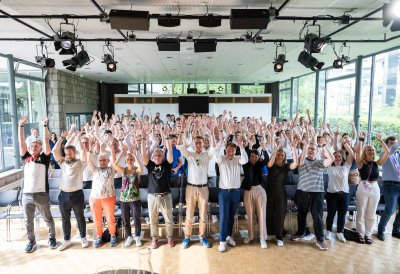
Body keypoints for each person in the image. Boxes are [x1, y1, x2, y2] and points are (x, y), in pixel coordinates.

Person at [19, 116, 57, 253]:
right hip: (27, 195)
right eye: (32, 146)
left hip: (41, 194)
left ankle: (52, 238)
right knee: (28, 222)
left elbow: (47, 140)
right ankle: (31, 241)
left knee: (47, 218)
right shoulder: (26, 157)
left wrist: (45, 125)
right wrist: (20, 126)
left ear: (40, 147)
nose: (33, 147)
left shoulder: (44, 158)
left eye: (36, 146)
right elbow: (21, 142)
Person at [290, 142, 334, 251]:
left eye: (313, 149)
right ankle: (301, 233)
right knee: (301, 215)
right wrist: (303, 146)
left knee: (317, 217)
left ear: (317, 151)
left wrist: (324, 146)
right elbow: (299, 161)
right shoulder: (302, 161)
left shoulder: (320, 163)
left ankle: (320, 239)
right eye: (309, 148)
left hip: (317, 193)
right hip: (303, 192)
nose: (311, 150)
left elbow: (331, 158)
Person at [177, 132, 215, 249]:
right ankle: (187, 237)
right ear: (194, 144)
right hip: (191, 188)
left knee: (203, 215)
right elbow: (179, 144)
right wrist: (183, 129)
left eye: (200, 143)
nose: (198, 144)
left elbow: (213, 146)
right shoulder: (189, 154)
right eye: (196, 143)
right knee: (189, 214)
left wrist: (210, 131)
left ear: (203, 144)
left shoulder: (207, 155)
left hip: (203, 188)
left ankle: (202, 236)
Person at [52, 130, 88, 251]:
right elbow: (54, 151)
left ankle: (83, 237)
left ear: (74, 153)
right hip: (63, 195)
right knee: (65, 219)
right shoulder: (62, 162)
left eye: (70, 154)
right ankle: (66, 240)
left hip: (77, 194)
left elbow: (83, 152)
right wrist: (62, 137)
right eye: (66, 154)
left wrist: (78, 139)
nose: (68, 156)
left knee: (80, 218)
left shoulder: (80, 163)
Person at [141, 129, 175, 249]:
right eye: (155, 155)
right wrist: (144, 140)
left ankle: (170, 239)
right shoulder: (150, 165)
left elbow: (170, 151)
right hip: (152, 197)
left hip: (166, 196)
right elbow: (143, 155)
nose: (156, 156)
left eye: (159, 155)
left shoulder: (167, 164)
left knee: (168, 220)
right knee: (153, 220)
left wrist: (166, 138)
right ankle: (154, 239)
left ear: (162, 156)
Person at [354, 132, 389, 244]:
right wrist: (361, 139)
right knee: (361, 211)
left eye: (373, 150)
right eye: (369, 150)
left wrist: (380, 140)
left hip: (374, 187)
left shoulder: (377, 163)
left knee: (371, 212)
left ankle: (368, 234)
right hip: (363, 186)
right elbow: (358, 151)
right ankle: (360, 233)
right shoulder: (360, 163)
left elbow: (387, 152)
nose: (372, 152)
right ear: (365, 152)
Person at [215, 141, 248, 252]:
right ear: (226, 150)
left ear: (235, 151)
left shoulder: (238, 158)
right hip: (224, 192)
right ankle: (222, 241)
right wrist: (220, 144)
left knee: (231, 216)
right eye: (229, 150)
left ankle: (229, 236)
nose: (231, 152)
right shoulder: (221, 159)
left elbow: (245, 160)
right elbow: (215, 156)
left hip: (235, 192)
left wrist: (241, 147)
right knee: (224, 217)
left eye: (233, 150)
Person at [111, 145, 143, 247]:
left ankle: (137, 237)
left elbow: (141, 167)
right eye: (128, 159)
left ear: (133, 160)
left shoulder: (137, 170)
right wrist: (122, 153)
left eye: (131, 159)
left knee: (136, 218)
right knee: (125, 219)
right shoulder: (123, 170)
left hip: (135, 199)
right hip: (124, 199)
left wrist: (135, 155)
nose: (129, 161)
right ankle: (129, 236)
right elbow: (115, 165)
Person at [266, 145, 298, 247]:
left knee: (280, 214)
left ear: (284, 156)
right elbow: (270, 164)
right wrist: (275, 150)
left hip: (280, 192)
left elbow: (295, 164)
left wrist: (293, 150)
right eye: (278, 154)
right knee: (269, 213)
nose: (280, 156)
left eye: (282, 155)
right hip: (269, 192)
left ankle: (279, 236)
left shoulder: (285, 166)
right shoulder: (270, 164)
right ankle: (270, 233)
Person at [87, 147, 118, 248]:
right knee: (97, 219)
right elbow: (89, 161)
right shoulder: (95, 170)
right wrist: (90, 149)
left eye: (104, 160)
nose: (102, 162)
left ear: (108, 161)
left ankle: (113, 235)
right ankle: (99, 236)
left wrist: (111, 148)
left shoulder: (111, 169)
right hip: (95, 198)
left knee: (110, 218)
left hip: (108, 198)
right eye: (100, 160)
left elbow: (114, 159)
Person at [324, 140, 354, 243]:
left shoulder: (346, 166)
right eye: (335, 157)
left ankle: (340, 232)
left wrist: (345, 143)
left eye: (339, 156)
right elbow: (324, 153)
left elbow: (352, 154)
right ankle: (328, 231)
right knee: (331, 214)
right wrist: (329, 143)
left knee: (342, 214)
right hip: (332, 194)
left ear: (342, 158)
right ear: (332, 159)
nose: (337, 158)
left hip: (344, 194)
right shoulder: (329, 167)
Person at [241, 147, 269, 249]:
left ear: (258, 157)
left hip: (260, 190)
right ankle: (250, 236)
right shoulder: (246, 164)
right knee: (250, 215)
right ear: (249, 157)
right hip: (248, 191)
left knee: (262, 214)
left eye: (256, 157)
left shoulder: (260, 164)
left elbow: (267, 159)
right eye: (252, 156)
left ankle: (262, 238)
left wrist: (264, 149)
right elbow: (243, 156)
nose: (253, 158)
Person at [377, 136, 400, 241]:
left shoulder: (399, 155)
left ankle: (396, 230)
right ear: (386, 144)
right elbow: (390, 150)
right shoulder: (384, 154)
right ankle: (381, 230)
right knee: (390, 209)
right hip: (390, 185)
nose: (393, 145)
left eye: (394, 143)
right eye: (391, 143)